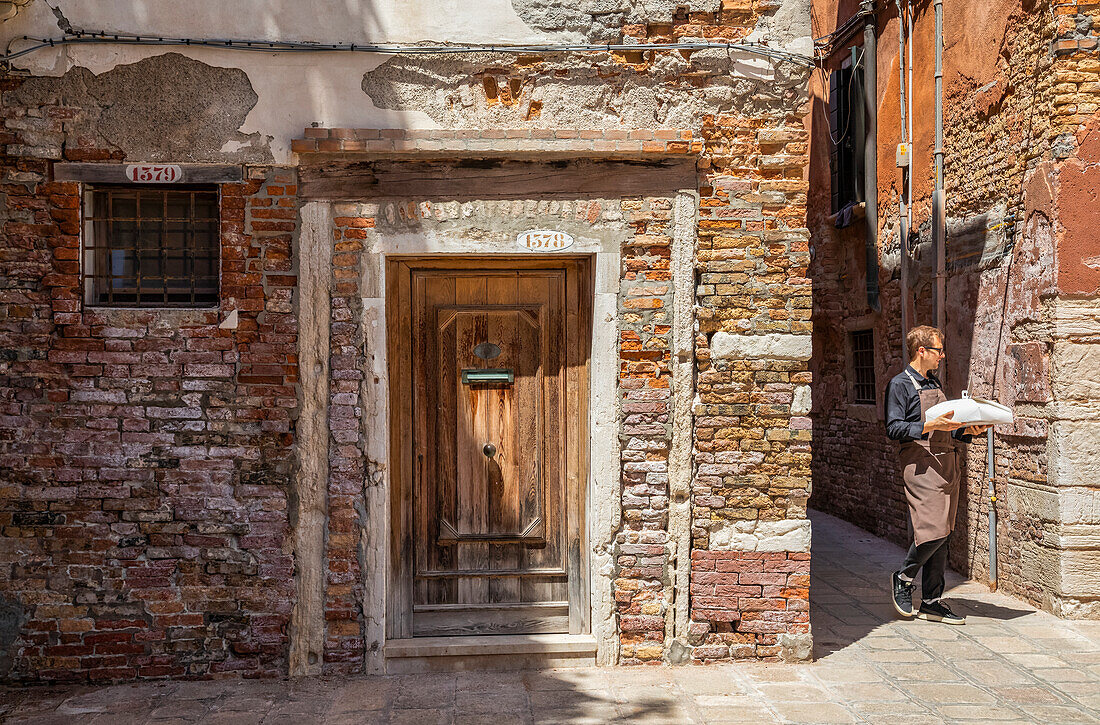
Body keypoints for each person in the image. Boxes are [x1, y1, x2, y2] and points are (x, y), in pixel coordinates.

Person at [884, 325, 989, 625]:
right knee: (932, 528)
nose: (942, 355)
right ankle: (903, 577)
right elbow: (893, 428)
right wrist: (928, 427)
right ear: (922, 351)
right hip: (920, 465)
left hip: (947, 464)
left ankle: (932, 601)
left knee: (945, 531)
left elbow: (948, 426)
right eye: (938, 350)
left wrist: (969, 430)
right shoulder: (899, 385)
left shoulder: (934, 382)